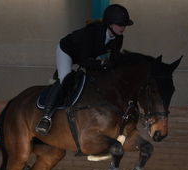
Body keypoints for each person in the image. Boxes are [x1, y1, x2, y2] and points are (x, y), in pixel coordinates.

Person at [35, 4, 134, 135]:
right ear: (109, 23)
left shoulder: (118, 37)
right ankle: (46, 117)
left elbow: (114, 60)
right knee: (66, 79)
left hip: (87, 57)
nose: (123, 27)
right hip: (67, 52)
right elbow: (83, 60)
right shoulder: (93, 32)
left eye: (124, 25)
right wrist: (102, 63)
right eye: (120, 24)